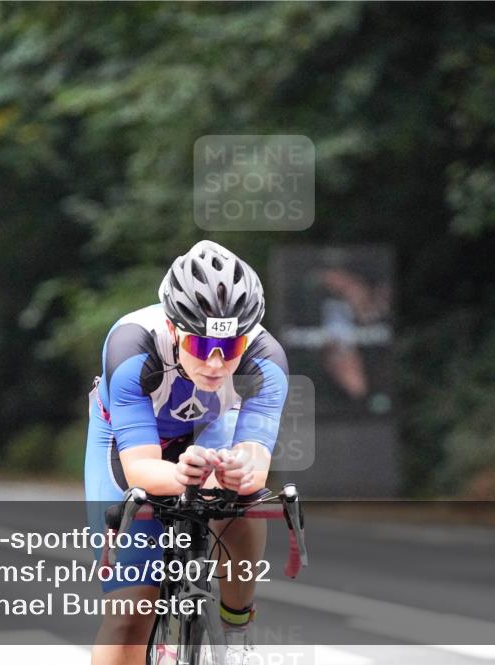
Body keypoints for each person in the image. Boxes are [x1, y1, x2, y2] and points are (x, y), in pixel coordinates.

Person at [86, 240, 289, 665]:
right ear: (175, 329)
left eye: (230, 348)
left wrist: (234, 473)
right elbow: (140, 467)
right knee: (129, 617)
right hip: (132, 441)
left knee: (243, 499)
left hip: (208, 431)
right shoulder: (131, 346)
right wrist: (182, 476)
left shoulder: (267, 360)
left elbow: (256, 461)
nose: (216, 364)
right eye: (201, 347)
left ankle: (236, 629)